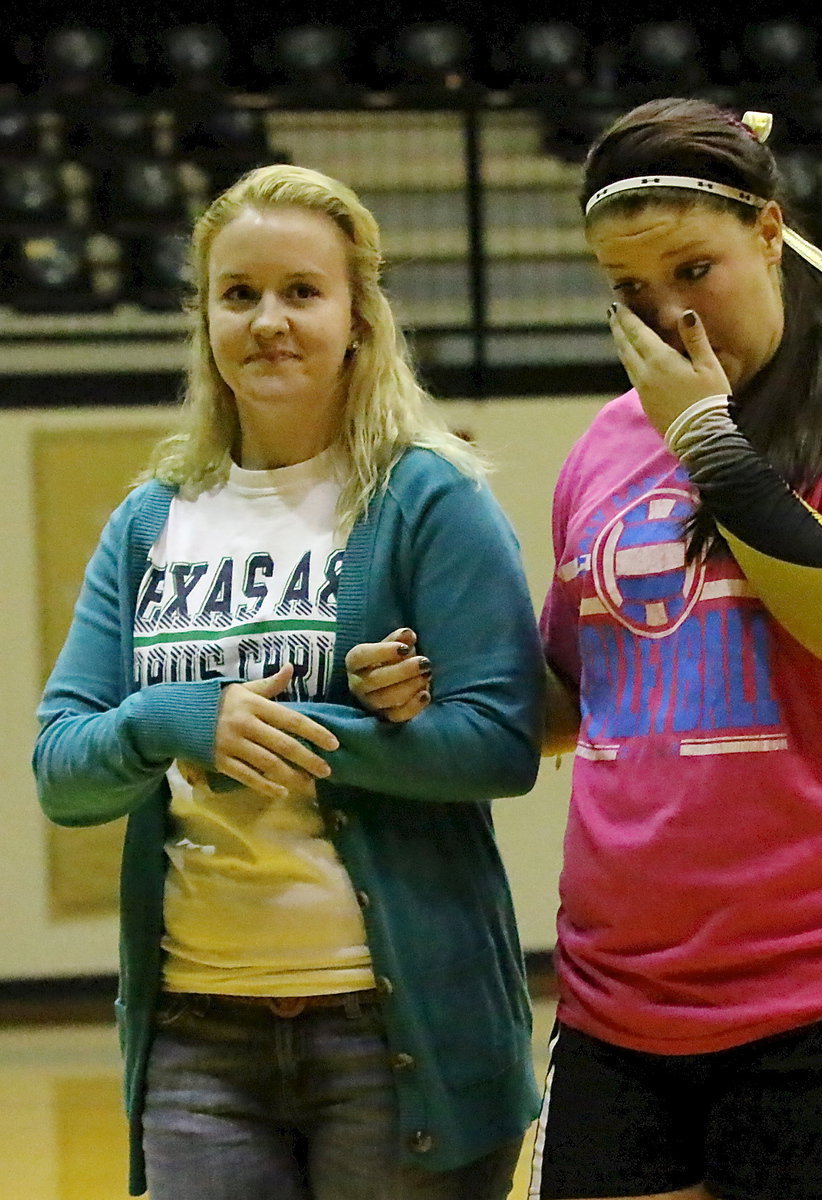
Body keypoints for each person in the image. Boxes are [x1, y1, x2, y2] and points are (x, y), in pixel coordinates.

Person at [347, 99, 822, 1200]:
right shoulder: (603, 442)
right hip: (622, 992)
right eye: (633, 291)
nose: (668, 316)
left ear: (771, 233)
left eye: (695, 271)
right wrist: (432, 679)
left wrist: (707, 439)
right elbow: (572, 701)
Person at [32, 163, 545, 1200]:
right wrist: (172, 720)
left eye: (302, 292)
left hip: (394, 1037)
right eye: (240, 294)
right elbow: (62, 767)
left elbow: (499, 742)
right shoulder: (150, 521)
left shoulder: (427, 499)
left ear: (359, 318)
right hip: (196, 1033)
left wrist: (315, 732)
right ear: (205, 318)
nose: (270, 321)